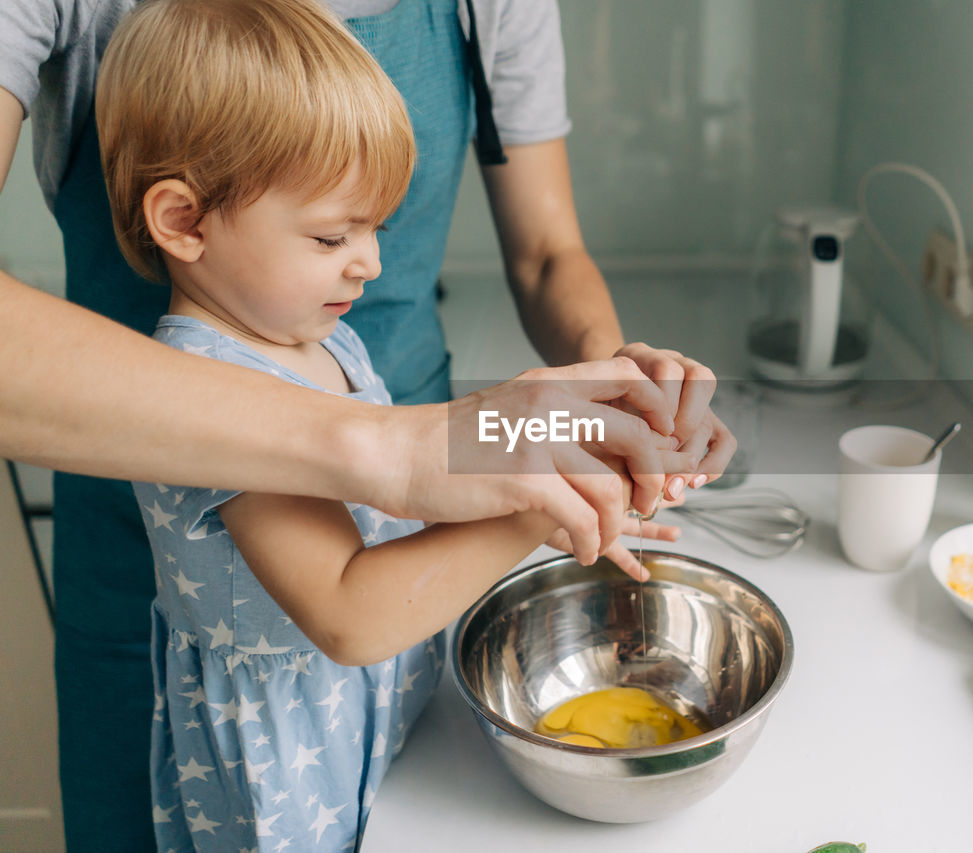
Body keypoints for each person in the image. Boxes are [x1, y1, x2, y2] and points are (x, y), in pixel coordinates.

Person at [0, 0, 734, 850]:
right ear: (184, 221)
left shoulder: (319, 334)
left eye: (378, 225)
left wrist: (602, 418)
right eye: (332, 234)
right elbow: (350, 611)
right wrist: (536, 510)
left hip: (375, 709)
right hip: (283, 791)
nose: (372, 264)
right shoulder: (223, 390)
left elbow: (424, 443)